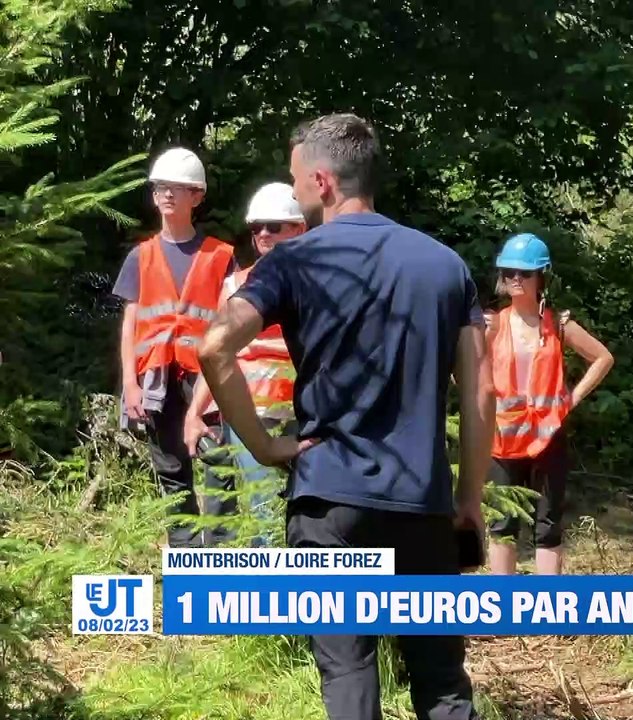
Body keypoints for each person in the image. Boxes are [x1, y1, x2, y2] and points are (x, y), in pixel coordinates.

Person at [196, 113, 491, 720]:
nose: (294, 188)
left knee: (349, 674)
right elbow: (482, 393)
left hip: (329, 499)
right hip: (422, 503)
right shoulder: (444, 266)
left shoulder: (292, 262)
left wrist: (265, 446)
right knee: (440, 678)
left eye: (297, 177)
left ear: (324, 182)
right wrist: (468, 497)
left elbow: (214, 346)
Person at [113, 146, 238, 548]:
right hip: (157, 377)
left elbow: (233, 322)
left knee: (219, 462)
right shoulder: (141, 256)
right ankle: (186, 551)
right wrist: (129, 384)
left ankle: (220, 551)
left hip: (207, 378)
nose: (166, 195)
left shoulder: (221, 257)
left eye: (177, 188)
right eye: (160, 188)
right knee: (170, 468)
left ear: (196, 196)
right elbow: (130, 325)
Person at [184, 182, 308, 546]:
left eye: (273, 226)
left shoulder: (321, 280)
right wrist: (195, 412)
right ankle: (269, 594)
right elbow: (218, 354)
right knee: (264, 508)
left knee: (307, 510)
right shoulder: (235, 285)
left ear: (299, 227)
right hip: (250, 414)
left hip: (304, 414)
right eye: (256, 228)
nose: (263, 235)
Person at [484, 233, 614, 576]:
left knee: (547, 525)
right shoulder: (492, 324)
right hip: (503, 440)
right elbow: (460, 374)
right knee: (502, 524)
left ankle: (548, 611)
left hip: (548, 436)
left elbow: (602, 358)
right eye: (509, 272)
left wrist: (573, 397)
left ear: (541, 277)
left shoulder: (559, 324)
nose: (515, 279)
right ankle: (502, 611)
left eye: (523, 274)